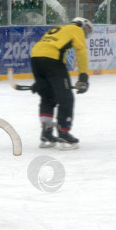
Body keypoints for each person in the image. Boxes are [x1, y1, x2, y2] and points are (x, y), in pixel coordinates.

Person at [29, 17, 91, 150]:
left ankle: (46, 133)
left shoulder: (59, 29)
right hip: (52, 60)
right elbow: (81, 51)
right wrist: (83, 76)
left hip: (35, 58)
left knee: (48, 97)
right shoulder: (77, 29)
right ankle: (64, 133)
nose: (87, 32)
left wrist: (41, 82)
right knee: (66, 98)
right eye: (87, 28)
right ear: (81, 24)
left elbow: (43, 49)